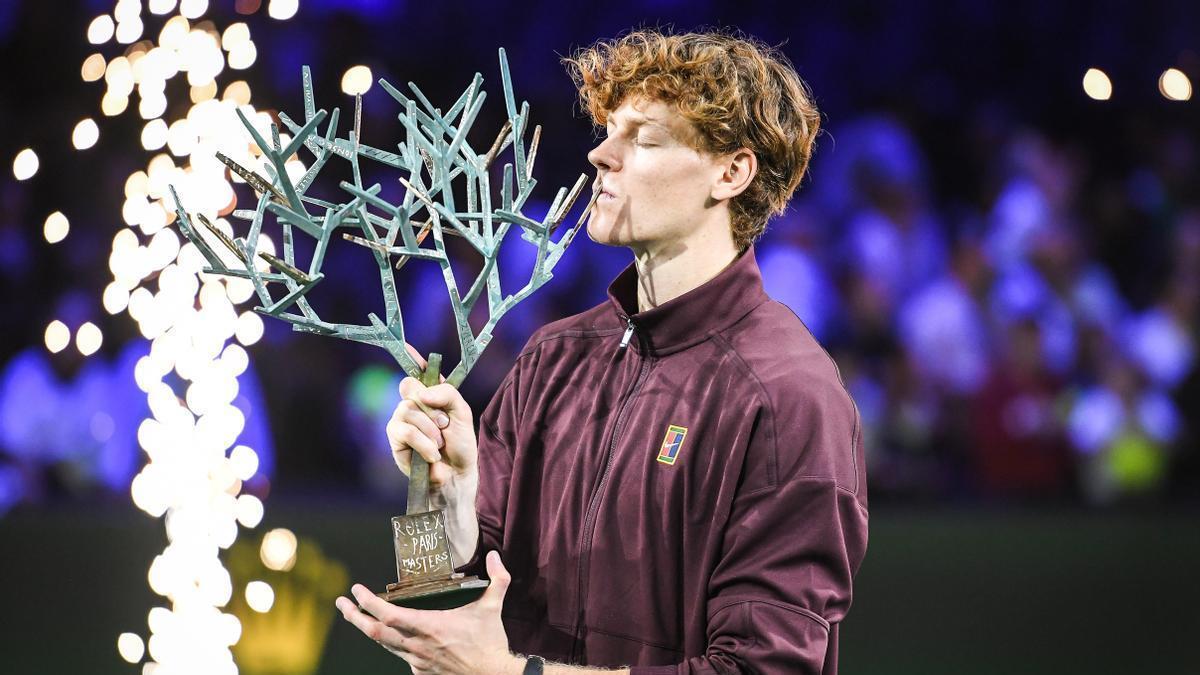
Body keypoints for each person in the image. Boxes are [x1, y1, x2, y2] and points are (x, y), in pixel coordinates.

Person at [335, 28, 869, 674]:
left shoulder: (790, 395)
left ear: (732, 172)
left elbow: (761, 668)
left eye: (642, 138)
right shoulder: (552, 358)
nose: (600, 154)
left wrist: (516, 674)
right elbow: (445, 611)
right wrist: (435, 496)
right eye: (608, 130)